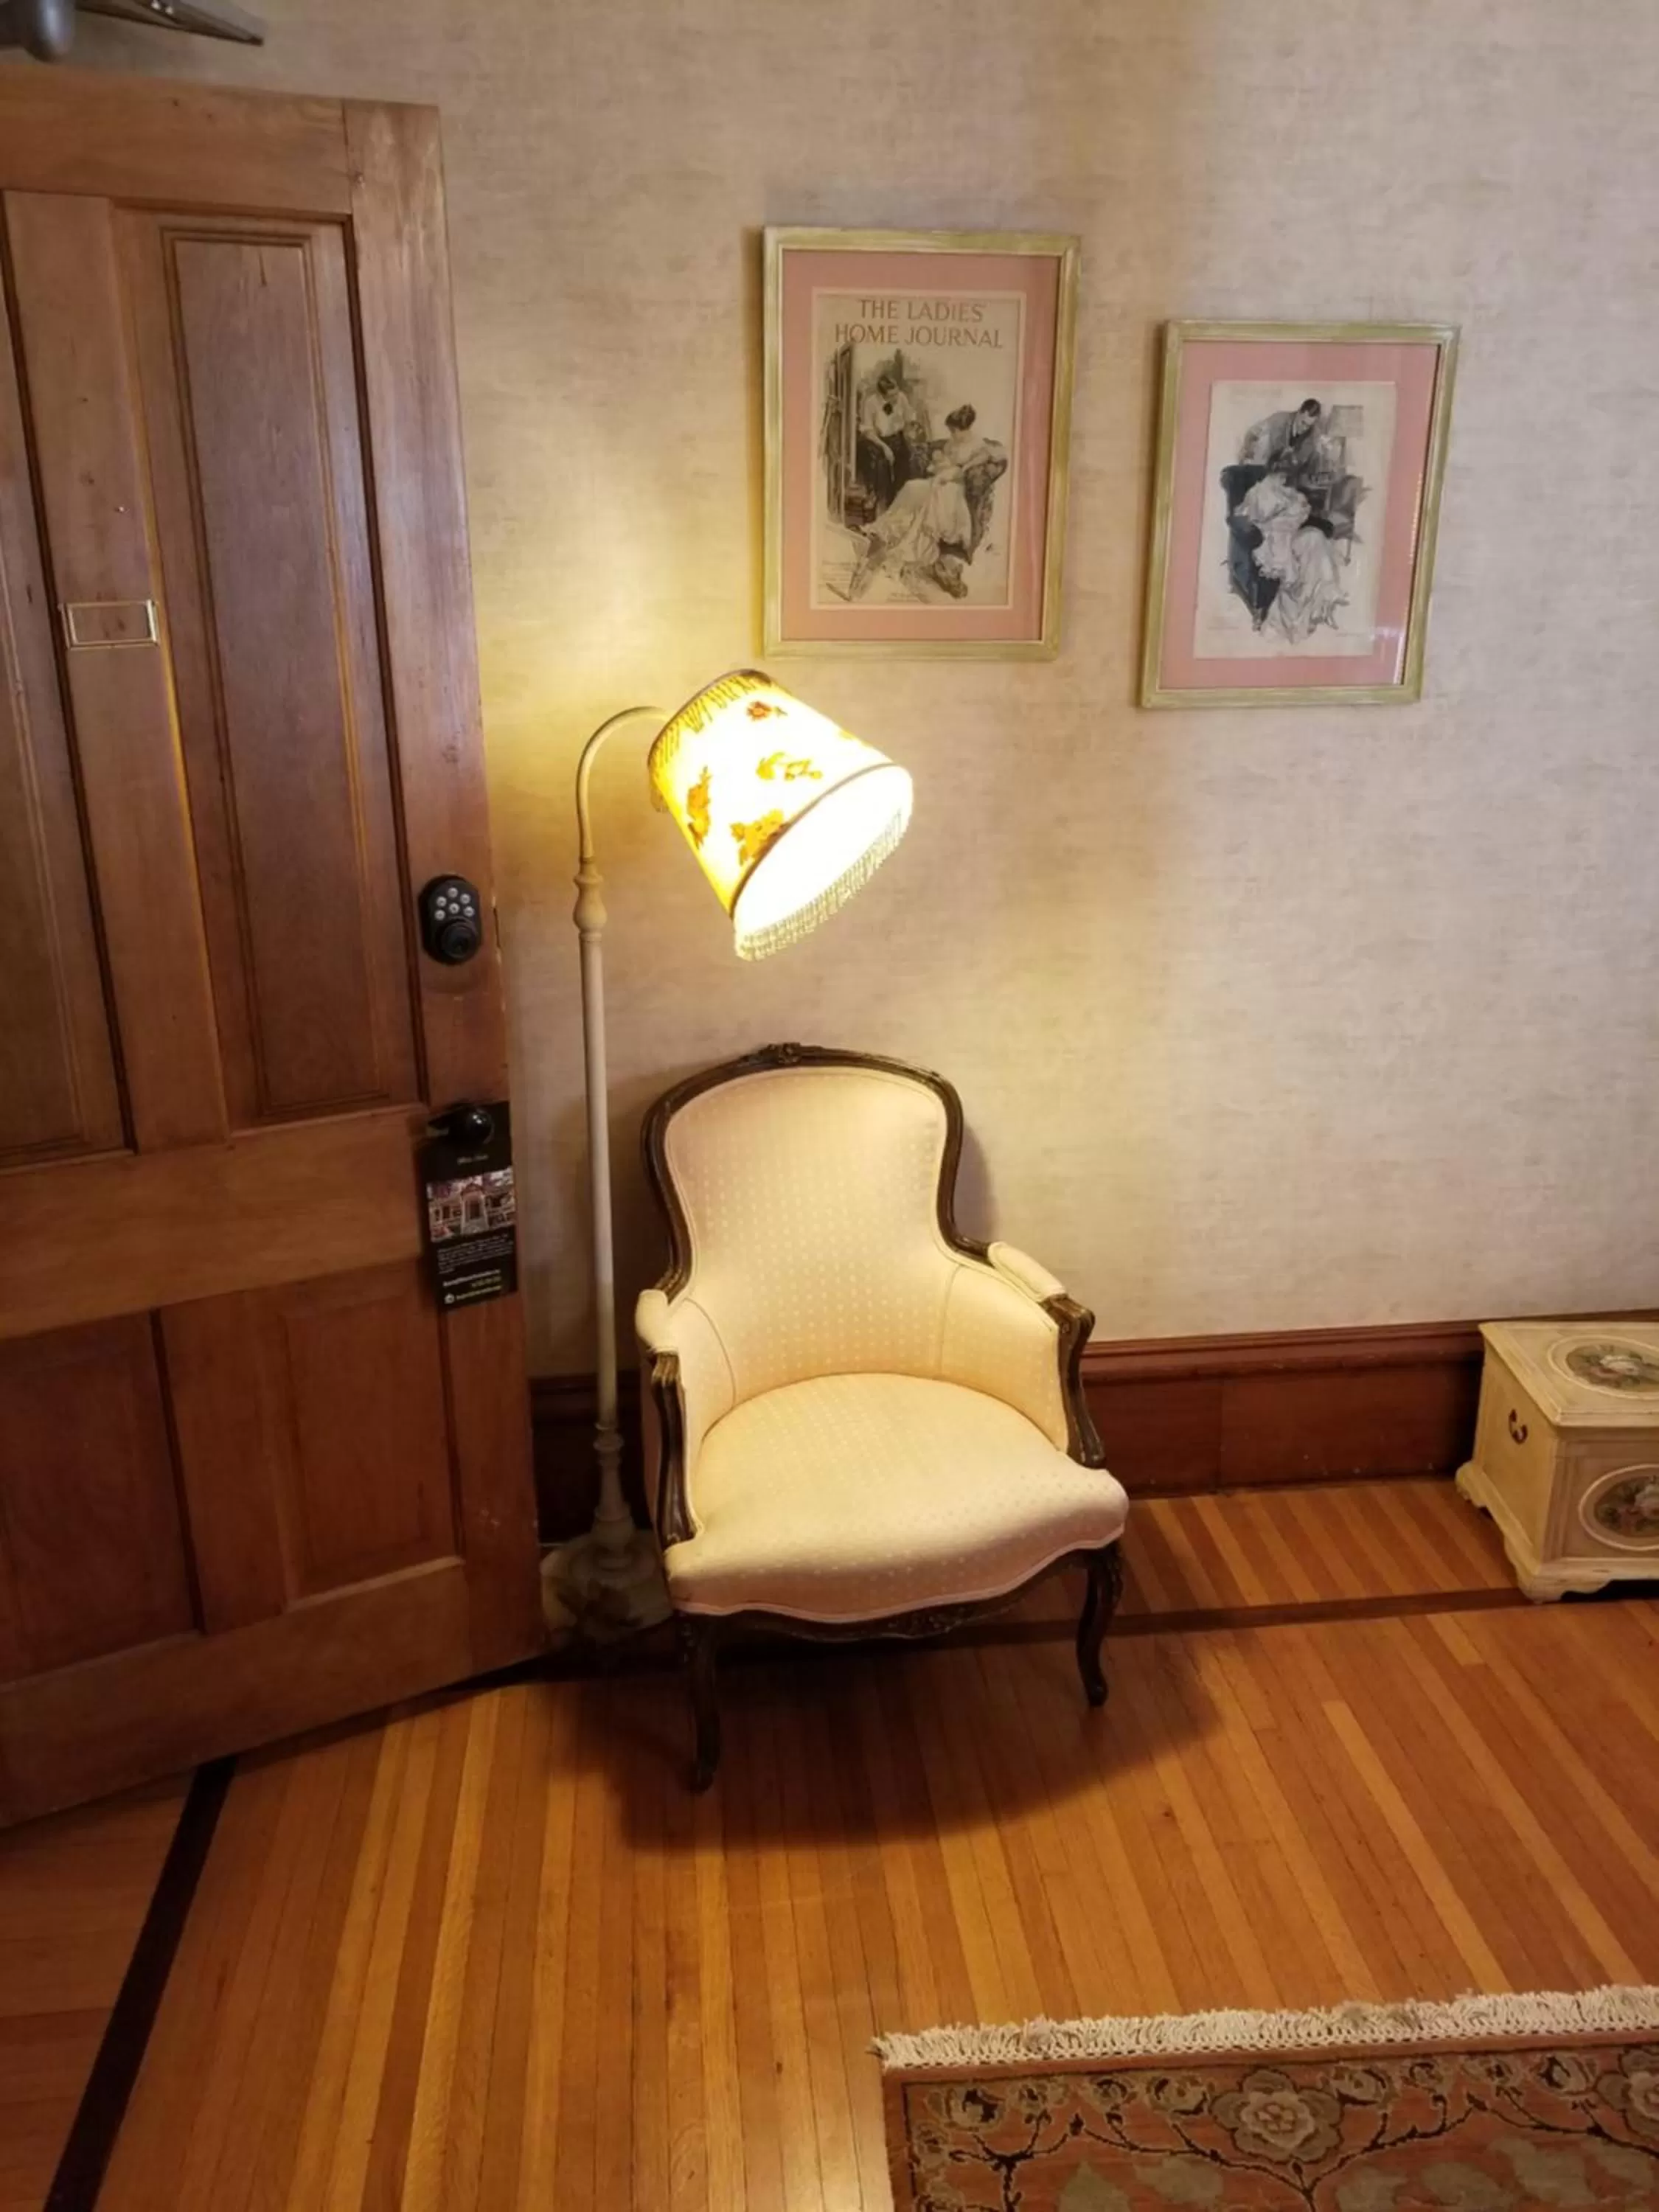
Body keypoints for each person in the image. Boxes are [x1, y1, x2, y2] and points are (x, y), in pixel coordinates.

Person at [848, 404, 999, 600]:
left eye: (955, 431)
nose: (952, 435)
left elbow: (985, 458)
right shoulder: (953, 442)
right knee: (912, 486)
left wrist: (960, 468)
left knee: (935, 492)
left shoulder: (978, 444)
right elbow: (944, 459)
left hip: (954, 489)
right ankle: (884, 525)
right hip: (940, 479)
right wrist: (939, 465)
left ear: (965, 429)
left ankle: (910, 541)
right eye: (951, 431)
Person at [1233, 470, 1346, 643]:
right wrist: (1281, 518)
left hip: (1294, 535)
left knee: (1315, 539)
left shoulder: (1290, 493)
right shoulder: (1259, 493)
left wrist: (1296, 514)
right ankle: (1296, 614)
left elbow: (1300, 513)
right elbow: (1252, 517)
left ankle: (1318, 604)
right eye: (1281, 469)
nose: (1284, 475)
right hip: (1275, 541)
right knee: (1308, 546)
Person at [856, 374, 915, 515]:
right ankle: (879, 504)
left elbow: (908, 420)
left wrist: (909, 431)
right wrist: (885, 448)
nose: (896, 398)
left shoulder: (901, 397)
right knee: (880, 467)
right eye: (892, 396)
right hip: (877, 441)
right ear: (882, 395)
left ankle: (899, 509)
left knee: (904, 468)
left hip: (897, 438)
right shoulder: (871, 403)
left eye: (896, 393)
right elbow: (868, 431)